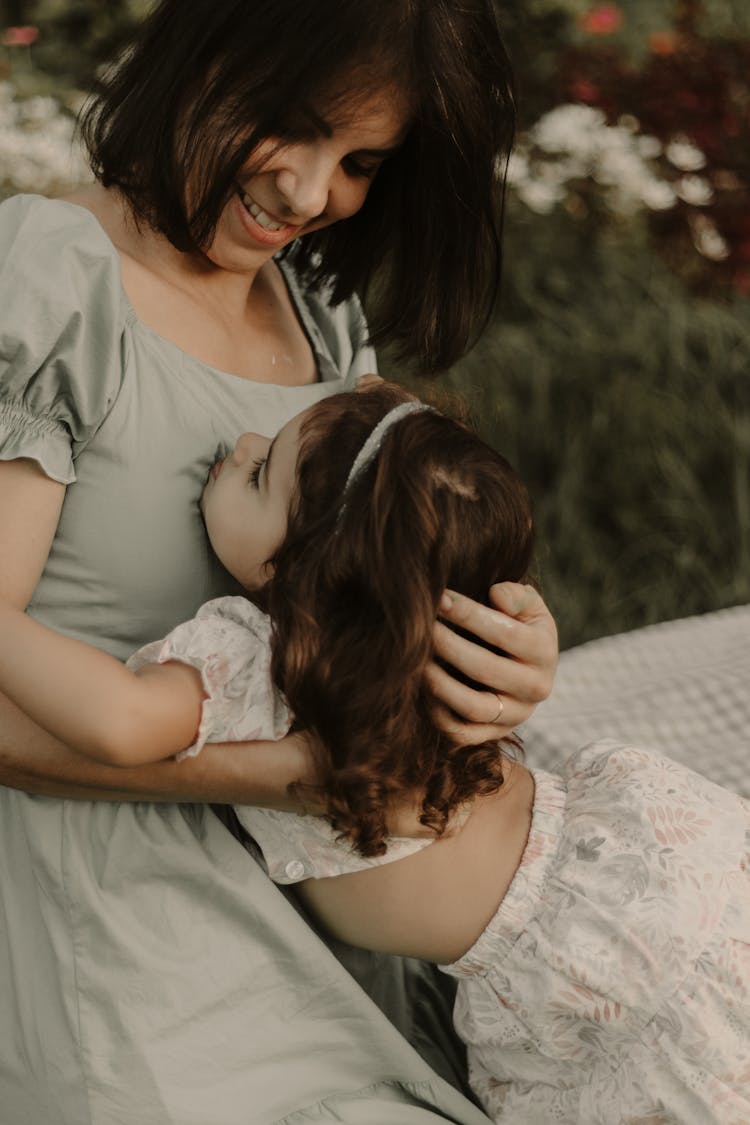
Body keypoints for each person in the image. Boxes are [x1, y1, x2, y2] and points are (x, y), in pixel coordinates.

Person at [0, 1, 558, 1122]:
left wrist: (499, 663)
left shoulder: (318, 311)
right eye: (290, 128)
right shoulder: (56, 277)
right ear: (207, 53)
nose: (311, 195)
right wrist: (300, 769)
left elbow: (358, 602)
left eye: (359, 162)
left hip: (328, 912)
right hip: (121, 934)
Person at [2, 383, 746, 1125]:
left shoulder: (256, 662)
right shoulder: (393, 653)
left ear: (305, 571)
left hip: (584, 963)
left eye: (262, 476)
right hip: (639, 852)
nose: (242, 447)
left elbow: (120, 719)